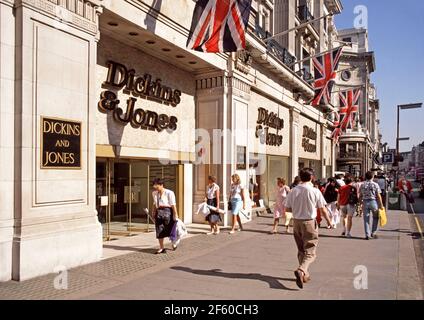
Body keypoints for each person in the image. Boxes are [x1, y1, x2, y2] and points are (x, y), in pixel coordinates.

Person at [285, 168, 332, 289]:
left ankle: (304, 275)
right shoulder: (315, 191)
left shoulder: (293, 191)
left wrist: (297, 209)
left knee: (301, 249)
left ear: (300, 177)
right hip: (309, 222)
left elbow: (287, 209)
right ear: (311, 177)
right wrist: (329, 221)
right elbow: (322, 209)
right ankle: (302, 270)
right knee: (311, 251)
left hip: (296, 222)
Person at [152, 178, 179, 254]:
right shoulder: (154, 193)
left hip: (168, 211)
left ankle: (173, 243)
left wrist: (175, 214)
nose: (156, 188)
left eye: (157, 186)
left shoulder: (169, 193)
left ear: (161, 185)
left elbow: (173, 204)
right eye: (154, 187)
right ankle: (161, 247)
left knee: (170, 228)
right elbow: (154, 203)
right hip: (159, 211)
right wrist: (153, 211)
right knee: (159, 230)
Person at [359, 171, 384, 240]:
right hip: (373, 202)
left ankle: (367, 234)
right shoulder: (375, 184)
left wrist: (360, 203)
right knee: (375, 217)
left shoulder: (362, 184)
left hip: (365, 202)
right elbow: (378, 196)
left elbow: (360, 195)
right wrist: (381, 205)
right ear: (372, 177)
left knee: (366, 219)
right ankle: (373, 232)